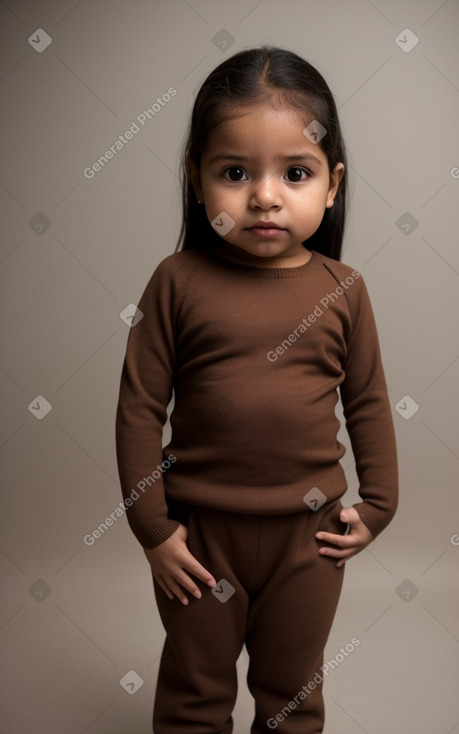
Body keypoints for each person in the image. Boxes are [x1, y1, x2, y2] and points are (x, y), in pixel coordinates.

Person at [115, 45, 398, 734]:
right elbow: (138, 408)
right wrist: (152, 528)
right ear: (196, 179)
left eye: (294, 173)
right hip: (199, 537)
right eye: (235, 172)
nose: (264, 196)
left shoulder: (343, 291)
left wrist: (380, 505)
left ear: (330, 185)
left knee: (291, 693)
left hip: (309, 536)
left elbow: (365, 403)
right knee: (194, 693)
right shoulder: (176, 282)